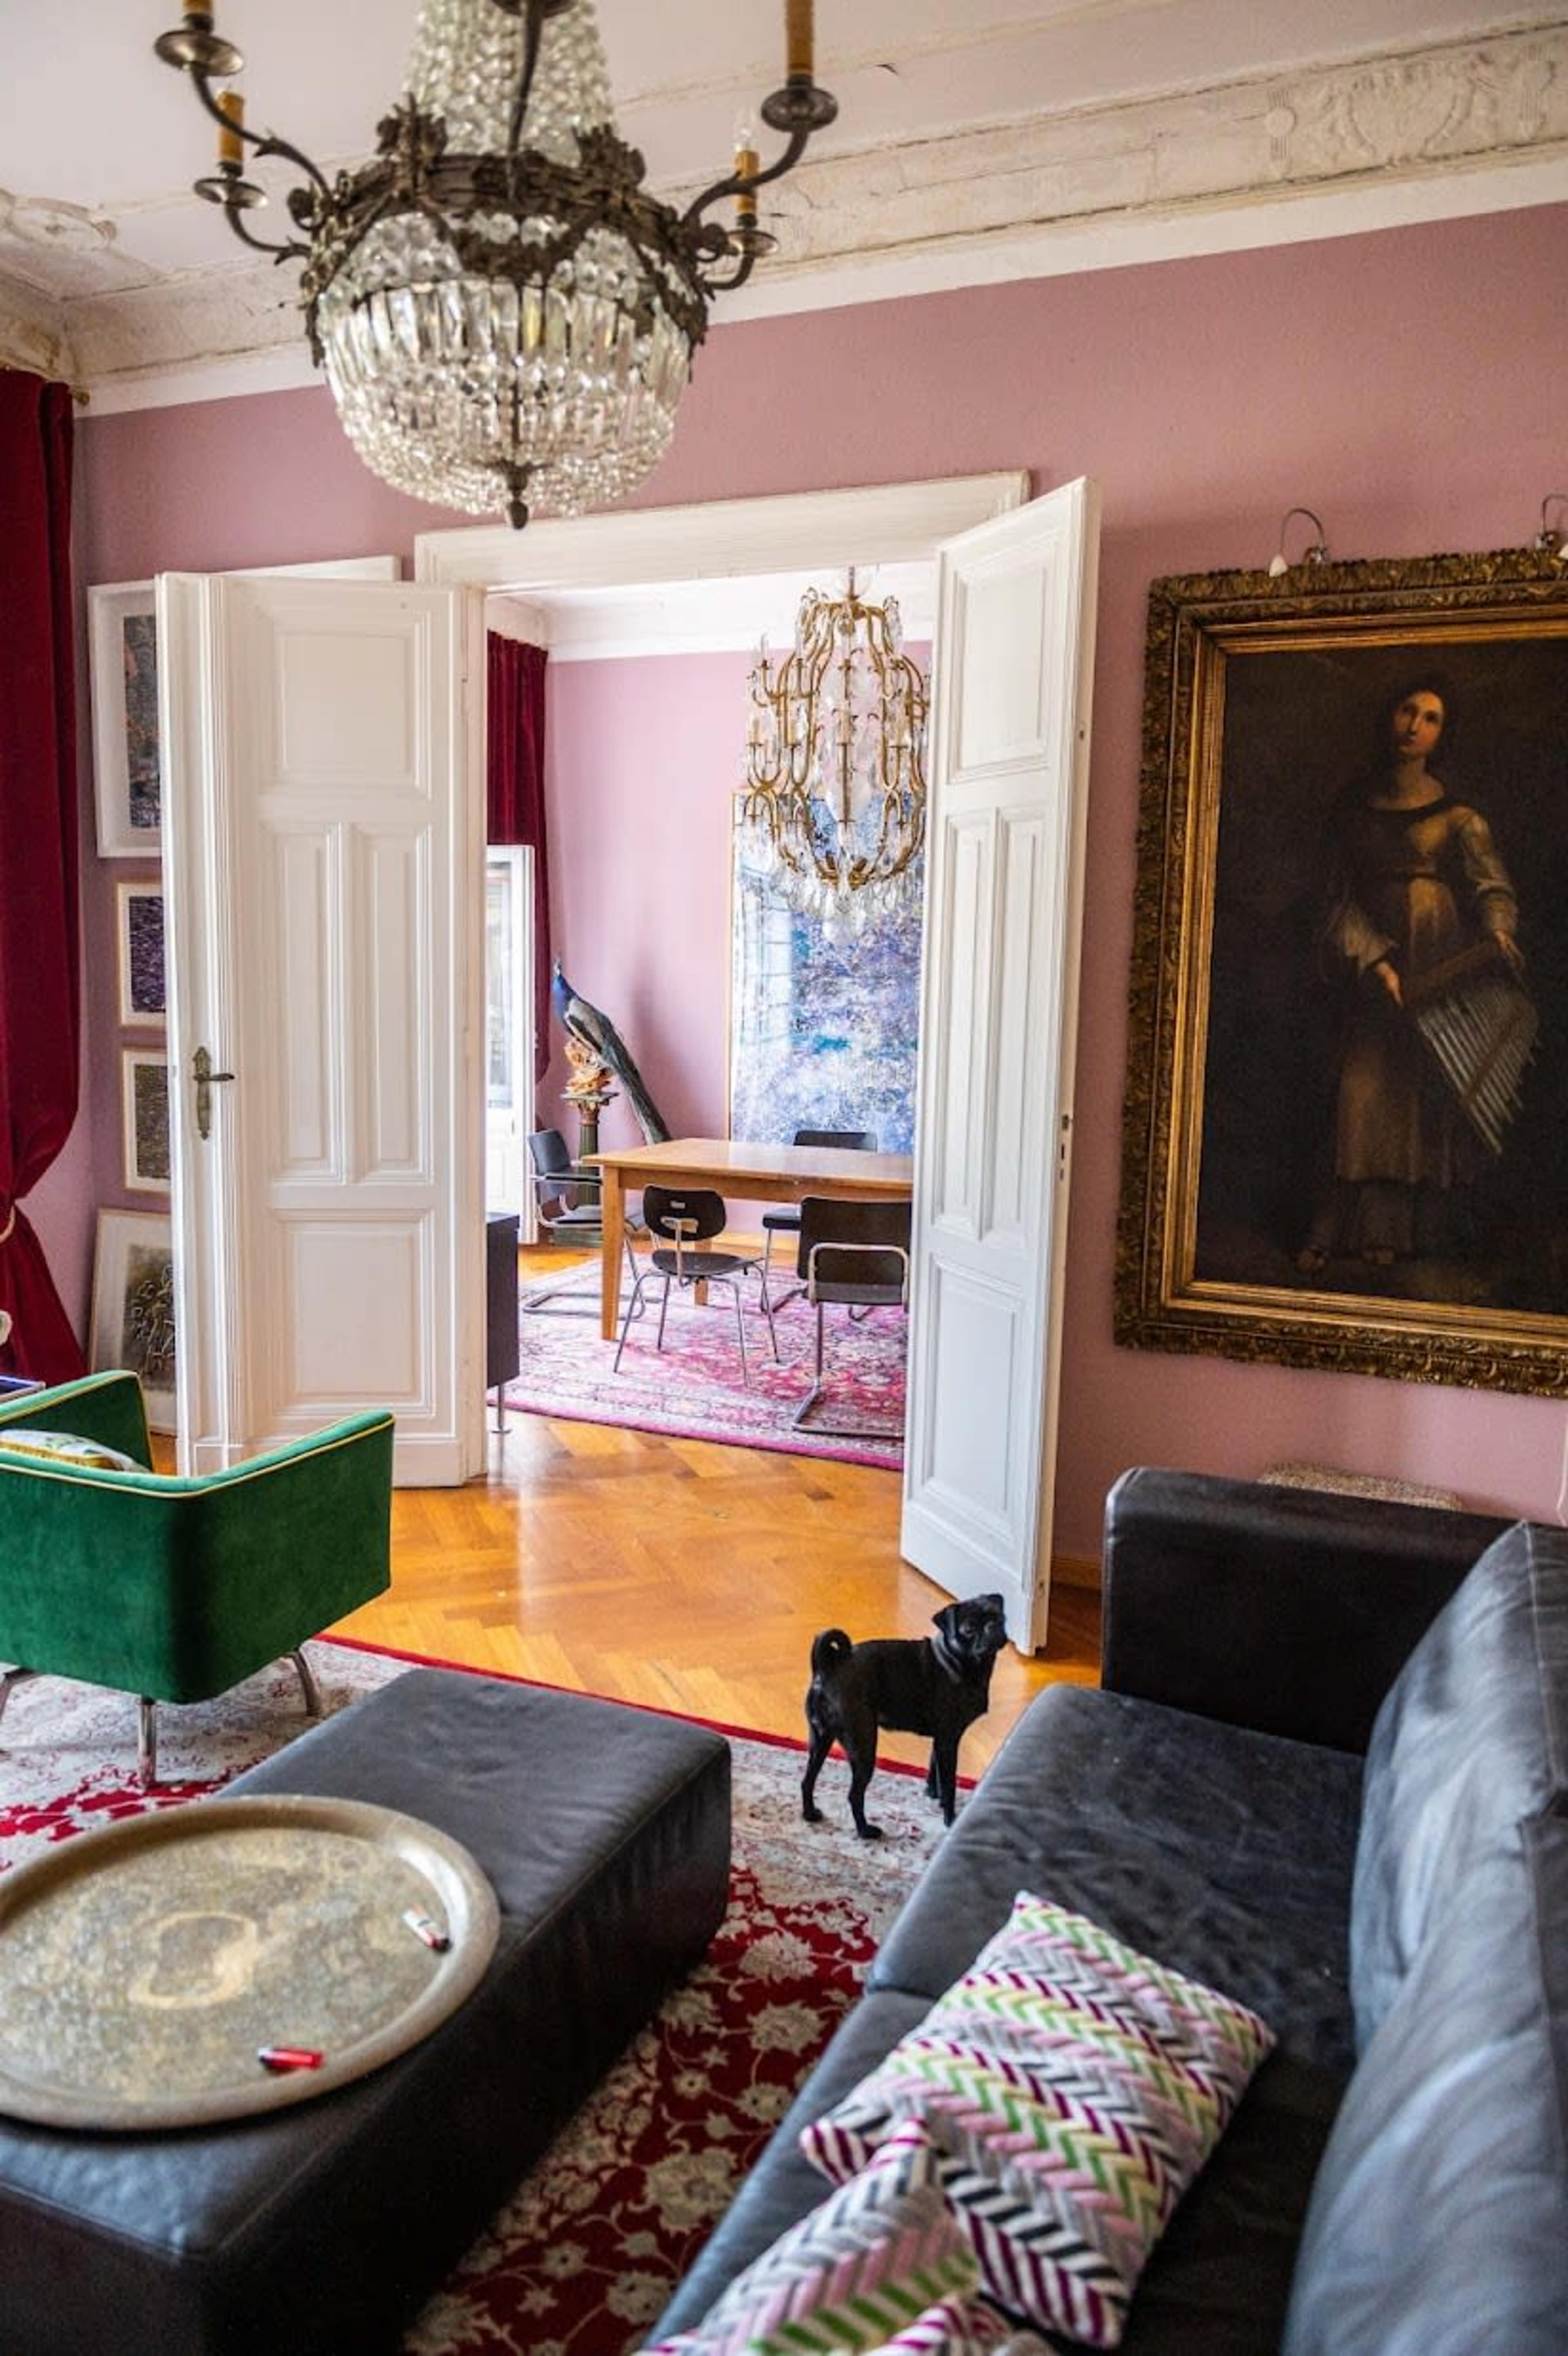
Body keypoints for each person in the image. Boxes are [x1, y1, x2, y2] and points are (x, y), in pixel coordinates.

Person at [1296, 676, 1524, 1273]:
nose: (1414, 726)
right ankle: (1337, 1225)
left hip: (1440, 959)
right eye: (1407, 710)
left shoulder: (1461, 816)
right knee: (1363, 1090)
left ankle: (1397, 1233)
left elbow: (1491, 887)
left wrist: (1498, 929)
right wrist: (1374, 958)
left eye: (1430, 718)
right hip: (1373, 960)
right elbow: (1332, 901)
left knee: (1420, 1095)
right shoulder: (1353, 810)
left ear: (1442, 735)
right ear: (1388, 714)